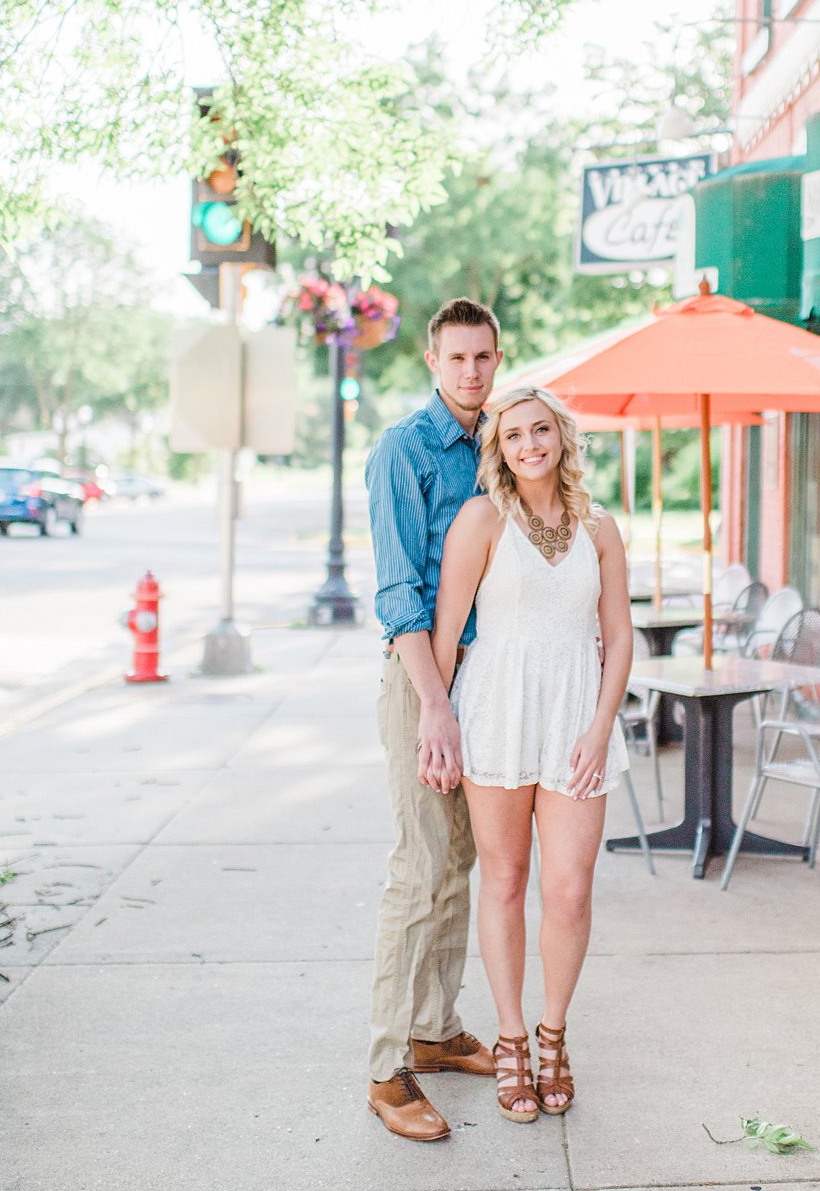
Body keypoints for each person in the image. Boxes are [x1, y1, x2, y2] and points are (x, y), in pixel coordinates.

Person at [431, 386, 631, 1124]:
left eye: (539, 430)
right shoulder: (482, 519)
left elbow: (620, 637)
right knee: (508, 880)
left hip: (578, 716)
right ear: (501, 451)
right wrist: (438, 724)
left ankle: (554, 1036)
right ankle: (510, 1037)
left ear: (561, 437)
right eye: (512, 436)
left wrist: (602, 727)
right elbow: (449, 631)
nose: (528, 445)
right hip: (499, 713)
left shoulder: (601, 528)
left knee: (571, 888)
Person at [364, 298, 503, 1143]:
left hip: (487, 682)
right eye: (456, 359)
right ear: (431, 361)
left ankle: (436, 1026)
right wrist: (434, 707)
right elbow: (398, 595)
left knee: (459, 861)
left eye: (483, 357)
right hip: (425, 681)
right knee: (419, 870)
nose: (471, 372)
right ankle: (387, 1070)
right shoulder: (402, 451)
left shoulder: (501, 445)